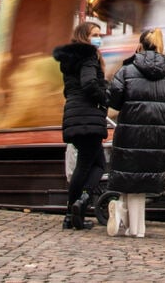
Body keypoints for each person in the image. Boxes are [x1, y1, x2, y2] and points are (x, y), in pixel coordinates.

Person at [105, 28, 165, 238]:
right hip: (157, 134)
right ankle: (137, 228)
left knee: (128, 176)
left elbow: (114, 99)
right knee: (142, 179)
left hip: (130, 131)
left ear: (139, 45)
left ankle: (121, 210)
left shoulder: (127, 70)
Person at [53, 21, 109, 230]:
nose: (98, 37)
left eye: (99, 34)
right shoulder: (88, 56)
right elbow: (88, 83)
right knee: (95, 165)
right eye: (95, 34)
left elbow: (70, 89)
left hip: (75, 114)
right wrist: (104, 97)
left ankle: (71, 214)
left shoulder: (71, 59)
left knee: (88, 164)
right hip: (88, 115)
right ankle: (80, 203)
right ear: (85, 36)